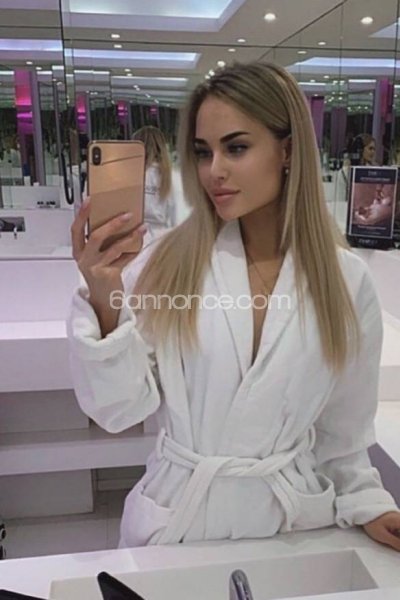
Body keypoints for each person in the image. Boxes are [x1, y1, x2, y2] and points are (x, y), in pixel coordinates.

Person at [68, 61, 400, 551]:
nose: (214, 171)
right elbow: (117, 410)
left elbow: (342, 432)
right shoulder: (167, 265)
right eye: (203, 152)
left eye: (236, 148)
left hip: (290, 529)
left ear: (288, 151)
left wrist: (370, 503)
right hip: (180, 521)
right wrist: (103, 296)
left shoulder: (346, 282)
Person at [131, 126, 176, 242]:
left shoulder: (129, 175)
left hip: (134, 237)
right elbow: (175, 215)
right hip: (162, 239)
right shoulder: (171, 177)